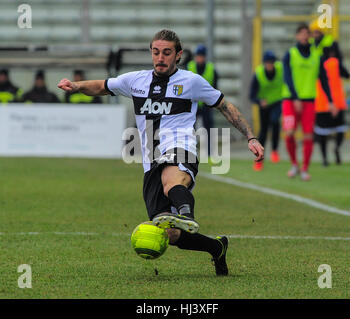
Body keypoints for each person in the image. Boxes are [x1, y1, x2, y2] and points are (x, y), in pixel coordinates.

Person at [58, 29, 264, 276]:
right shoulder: (136, 81)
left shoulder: (191, 82)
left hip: (181, 147)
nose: (160, 58)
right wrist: (76, 85)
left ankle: (187, 213)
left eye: (167, 53)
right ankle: (216, 247)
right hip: (150, 162)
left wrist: (250, 137)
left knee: (171, 181)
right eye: (156, 52)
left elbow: (225, 106)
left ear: (178, 55)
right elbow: (103, 86)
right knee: (172, 234)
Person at [282, 23, 320, 181]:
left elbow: (322, 78)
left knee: (308, 136)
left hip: (309, 101)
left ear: (310, 36)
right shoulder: (290, 54)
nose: (304, 36)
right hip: (291, 100)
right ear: (297, 36)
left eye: (307, 33)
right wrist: (296, 96)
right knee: (289, 133)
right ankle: (294, 164)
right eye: (302, 33)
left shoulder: (316, 55)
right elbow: (287, 77)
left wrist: (331, 101)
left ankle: (305, 168)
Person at [314, 45, 349, 166]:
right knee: (340, 130)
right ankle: (337, 148)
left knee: (322, 133)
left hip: (321, 104)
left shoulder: (315, 63)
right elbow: (347, 75)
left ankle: (324, 159)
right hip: (337, 103)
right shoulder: (335, 63)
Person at [249, 50, 283, 171]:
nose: (270, 65)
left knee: (275, 122)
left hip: (277, 102)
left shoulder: (280, 69)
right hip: (264, 105)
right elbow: (251, 95)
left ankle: (274, 151)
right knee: (263, 131)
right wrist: (259, 101)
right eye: (268, 63)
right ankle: (259, 160)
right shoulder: (259, 74)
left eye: (271, 63)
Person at [186, 44, 218, 159]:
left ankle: (209, 152)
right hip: (192, 104)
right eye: (198, 56)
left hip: (205, 104)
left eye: (201, 56)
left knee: (209, 128)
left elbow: (214, 87)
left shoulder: (211, 69)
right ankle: (190, 150)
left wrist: (210, 102)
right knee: (189, 129)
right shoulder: (189, 67)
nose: (199, 58)